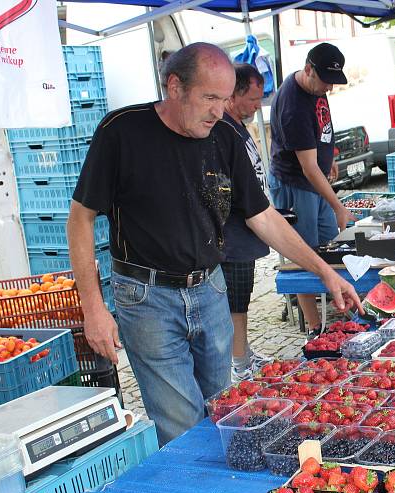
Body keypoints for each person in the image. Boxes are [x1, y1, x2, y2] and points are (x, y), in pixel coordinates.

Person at [67, 43, 363, 446]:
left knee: (224, 409)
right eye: (209, 98)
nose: (218, 110)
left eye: (224, 99)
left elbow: (263, 216)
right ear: (174, 86)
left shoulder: (224, 135)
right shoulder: (121, 132)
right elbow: (80, 219)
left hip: (210, 288)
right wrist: (93, 308)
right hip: (146, 296)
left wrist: (324, 271)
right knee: (182, 425)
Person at [268, 42, 355, 338]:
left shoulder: (317, 87)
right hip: (296, 185)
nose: (329, 88)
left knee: (331, 248)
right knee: (303, 256)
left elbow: (322, 129)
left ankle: (342, 313)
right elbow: (307, 168)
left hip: (315, 179)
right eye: (325, 82)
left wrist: (330, 155)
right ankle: (315, 329)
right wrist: (338, 205)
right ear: (308, 70)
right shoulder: (292, 105)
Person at [221, 63, 270, 380]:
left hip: (249, 233)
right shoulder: (224, 129)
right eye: (253, 99)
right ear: (234, 94)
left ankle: (244, 352)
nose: (257, 105)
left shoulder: (238, 125)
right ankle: (239, 364)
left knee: (243, 301)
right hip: (235, 236)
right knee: (236, 306)